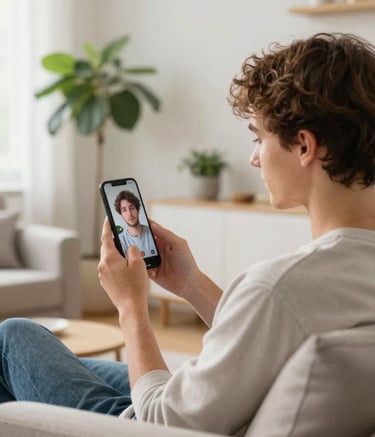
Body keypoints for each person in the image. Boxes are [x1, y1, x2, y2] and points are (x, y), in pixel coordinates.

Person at [0, 32, 374, 435]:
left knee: (12, 338)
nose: (252, 157)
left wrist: (130, 305)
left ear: (304, 146)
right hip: (219, 411)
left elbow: (162, 422)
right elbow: (270, 335)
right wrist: (190, 283)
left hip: (148, 426)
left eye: (258, 137)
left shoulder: (279, 288)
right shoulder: (341, 273)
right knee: (69, 360)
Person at [114, 190, 156, 258]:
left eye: (132, 208)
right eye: (124, 210)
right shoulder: (120, 241)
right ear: (121, 215)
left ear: (138, 210)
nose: (129, 214)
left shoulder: (153, 233)